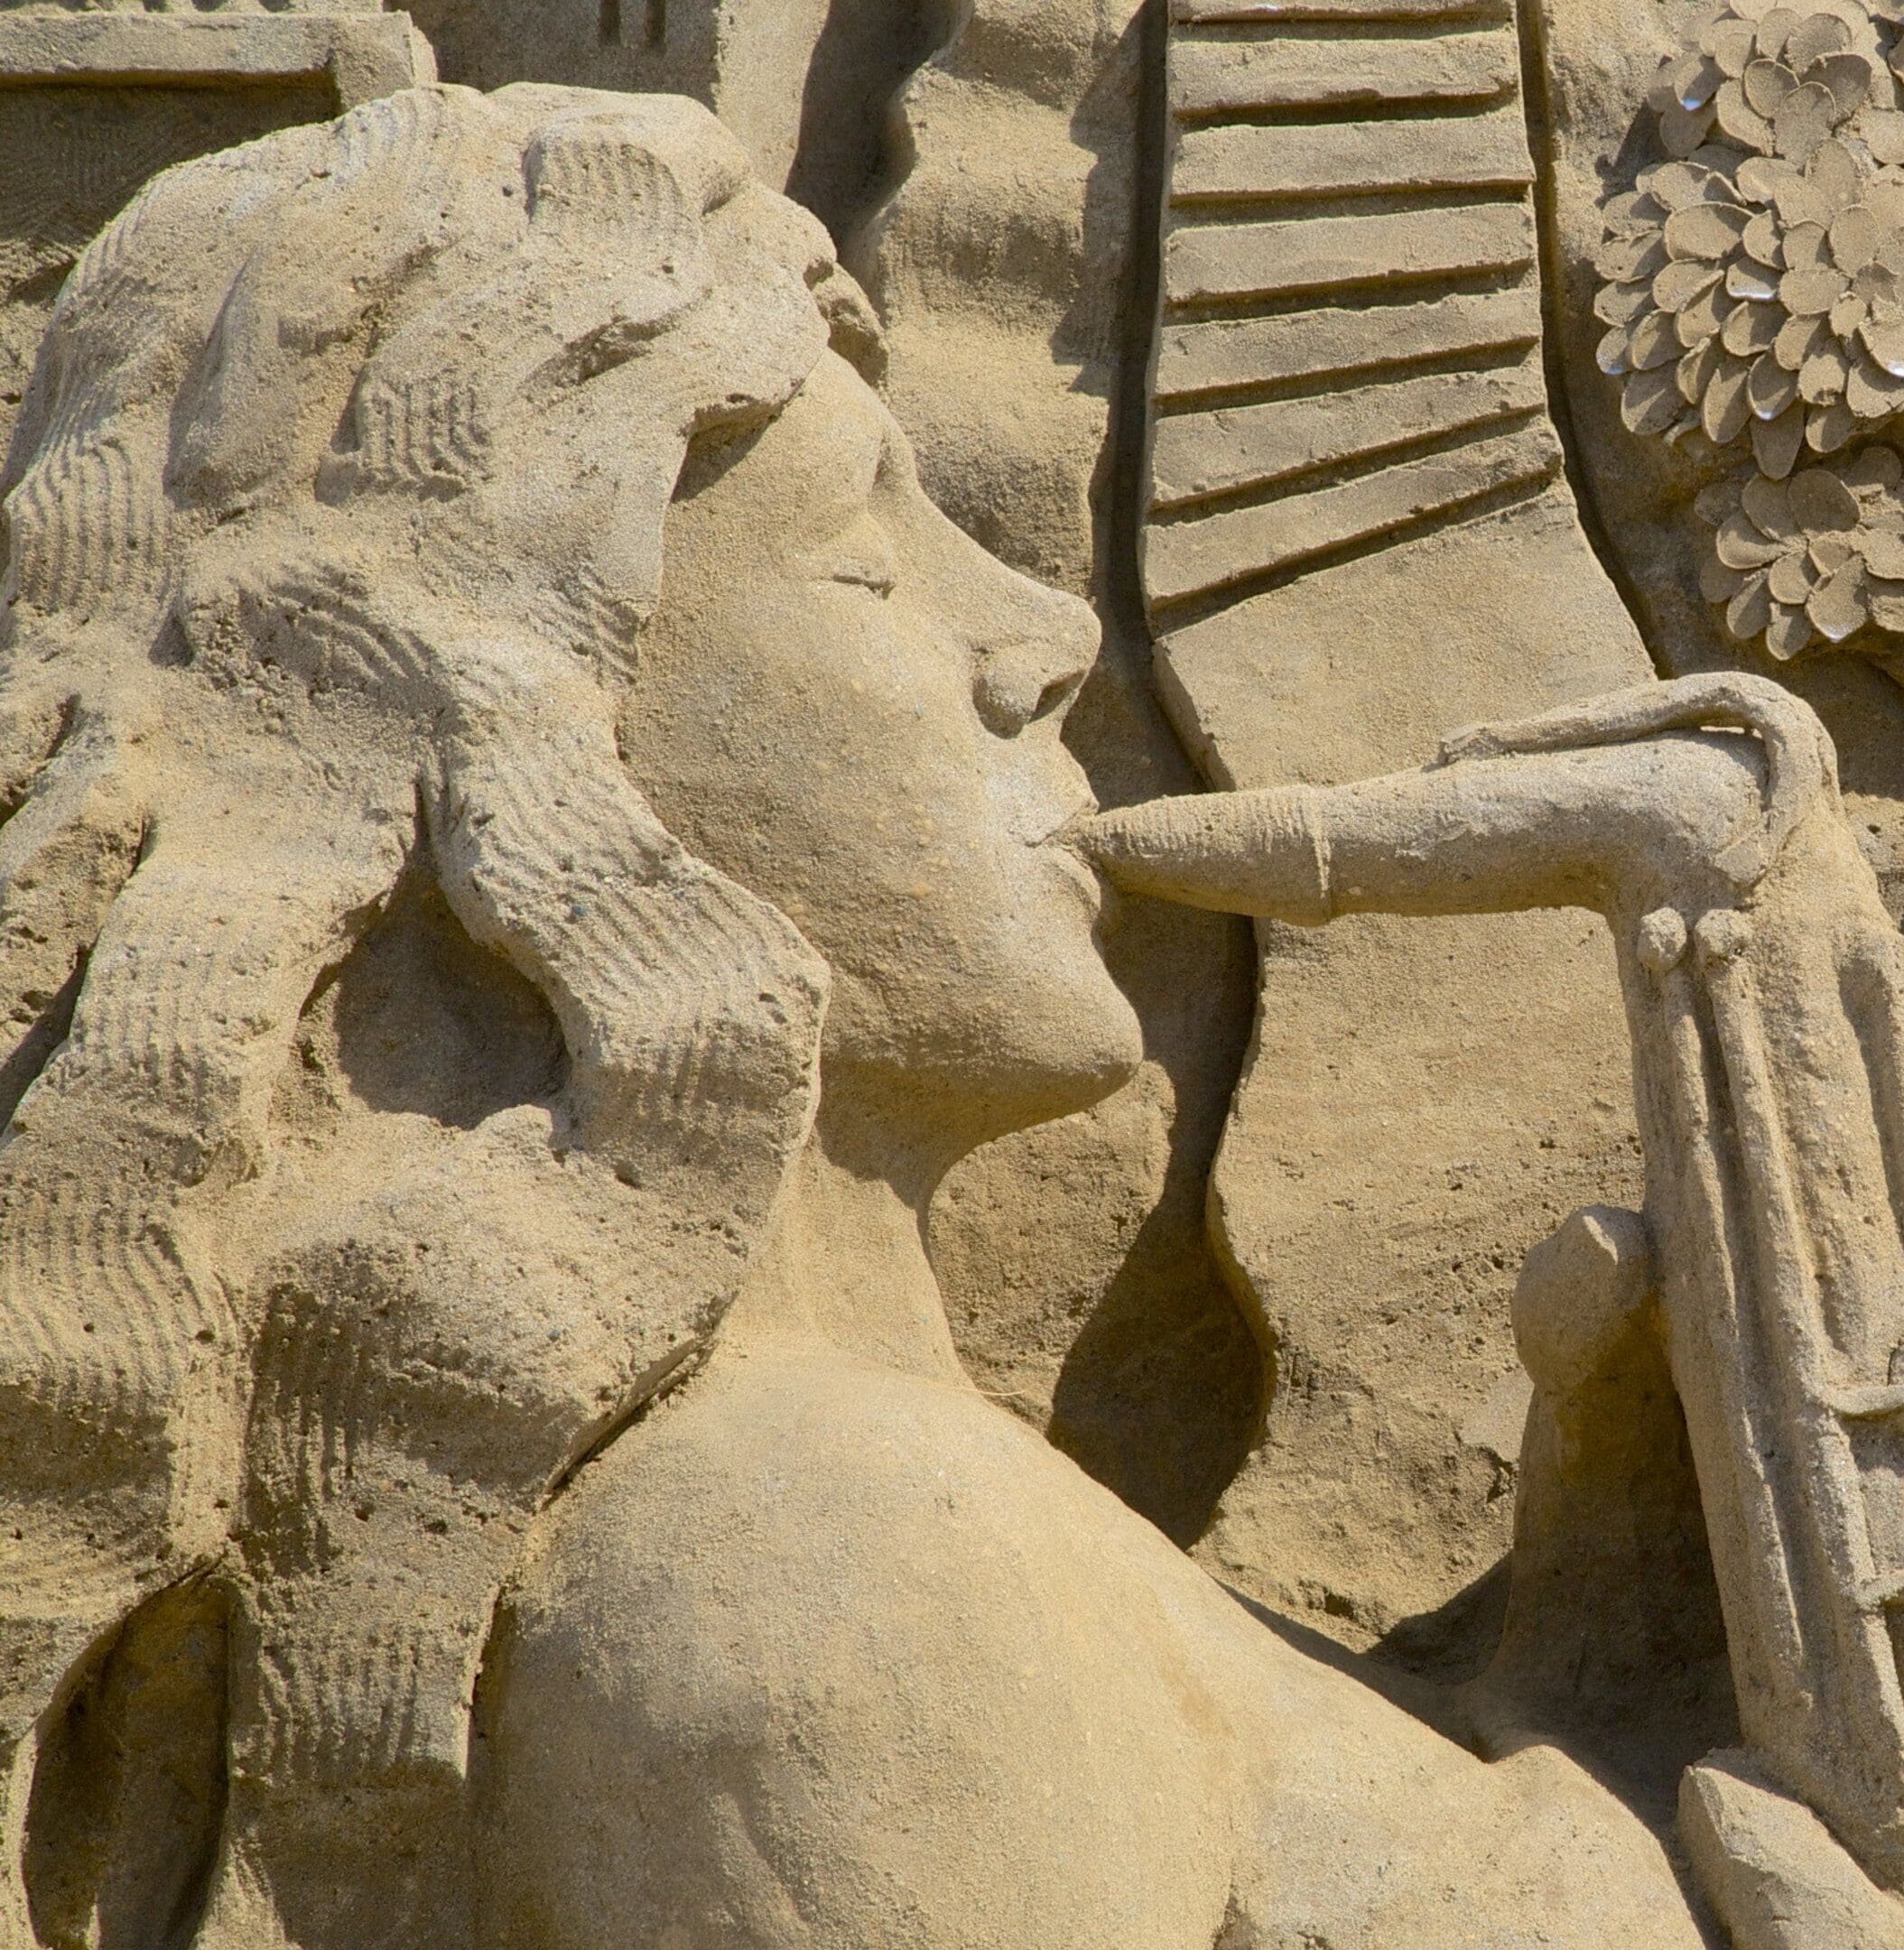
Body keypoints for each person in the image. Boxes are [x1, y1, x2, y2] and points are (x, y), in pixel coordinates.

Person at [0, 82, 1703, 1950]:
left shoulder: (877, 1521)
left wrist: (1611, 1638)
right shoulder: (837, 1575)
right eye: (872, 558)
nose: (1042, 633)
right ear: (548, 757)